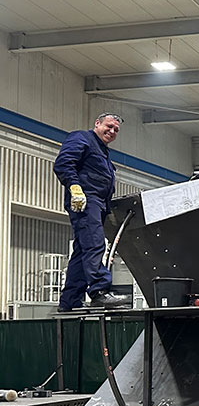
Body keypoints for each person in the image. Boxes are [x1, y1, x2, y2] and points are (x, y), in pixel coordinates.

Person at [53, 113, 128, 311]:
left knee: (82, 251)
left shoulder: (103, 151)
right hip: (86, 201)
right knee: (95, 244)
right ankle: (99, 291)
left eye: (116, 130)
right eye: (109, 126)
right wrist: (75, 187)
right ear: (97, 123)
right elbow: (63, 163)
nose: (112, 131)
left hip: (99, 204)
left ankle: (69, 301)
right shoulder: (82, 138)